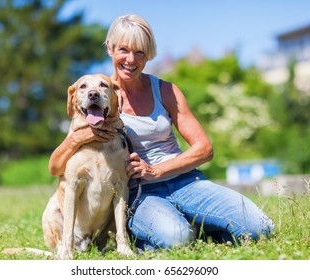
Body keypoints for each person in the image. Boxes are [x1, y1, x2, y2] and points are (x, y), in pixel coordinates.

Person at [49, 14, 274, 251]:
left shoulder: (165, 90)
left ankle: (189, 227)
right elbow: (55, 167)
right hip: (142, 193)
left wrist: (156, 170)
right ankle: (170, 230)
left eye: (139, 52)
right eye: (123, 49)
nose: (130, 59)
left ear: (148, 54)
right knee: (176, 239)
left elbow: (204, 149)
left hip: (186, 181)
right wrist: (78, 137)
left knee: (261, 227)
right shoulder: (98, 99)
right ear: (110, 48)